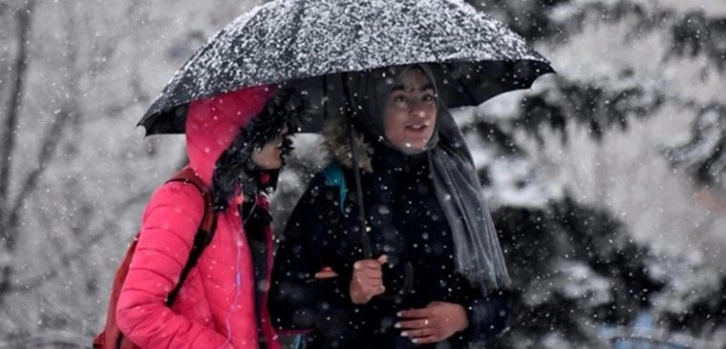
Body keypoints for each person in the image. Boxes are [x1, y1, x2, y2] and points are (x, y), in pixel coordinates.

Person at [269, 65, 511, 348]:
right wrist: (345, 290)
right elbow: (282, 307)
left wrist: (465, 317)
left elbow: (501, 303)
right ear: (372, 104)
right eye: (401, 99)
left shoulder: (455, 185)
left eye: (427, 97)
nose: (419, 112)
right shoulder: (335, 187)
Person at [116, 85, 305, 349]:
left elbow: (256, 317)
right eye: (272, 122)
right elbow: (137, 311)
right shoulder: (181, 200)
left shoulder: (250, 207)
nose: (285, 131)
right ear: (238, 133)